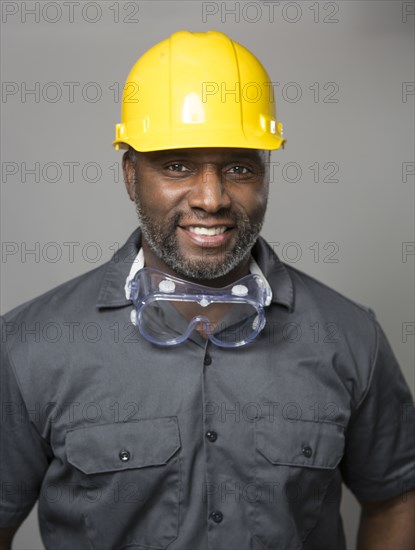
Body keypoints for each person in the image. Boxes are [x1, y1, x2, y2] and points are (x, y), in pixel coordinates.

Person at [0, 30, 414, 550]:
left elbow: (396, 496)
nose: (212, 198)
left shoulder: (351, 337)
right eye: (178, 166)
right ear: (131, 175)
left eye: (239, 168)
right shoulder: (31, 346)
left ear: (266, 172)